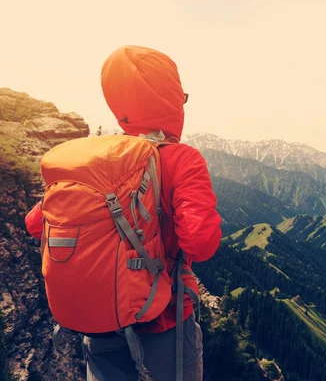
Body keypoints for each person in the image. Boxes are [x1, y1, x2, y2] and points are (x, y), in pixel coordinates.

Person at [25, 45, 222, 381]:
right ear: (172, 99)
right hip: (164, 323)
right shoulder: (182, 158)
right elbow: (201, 242)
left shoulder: (99, 161)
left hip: (101, 319)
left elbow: (34, 224)